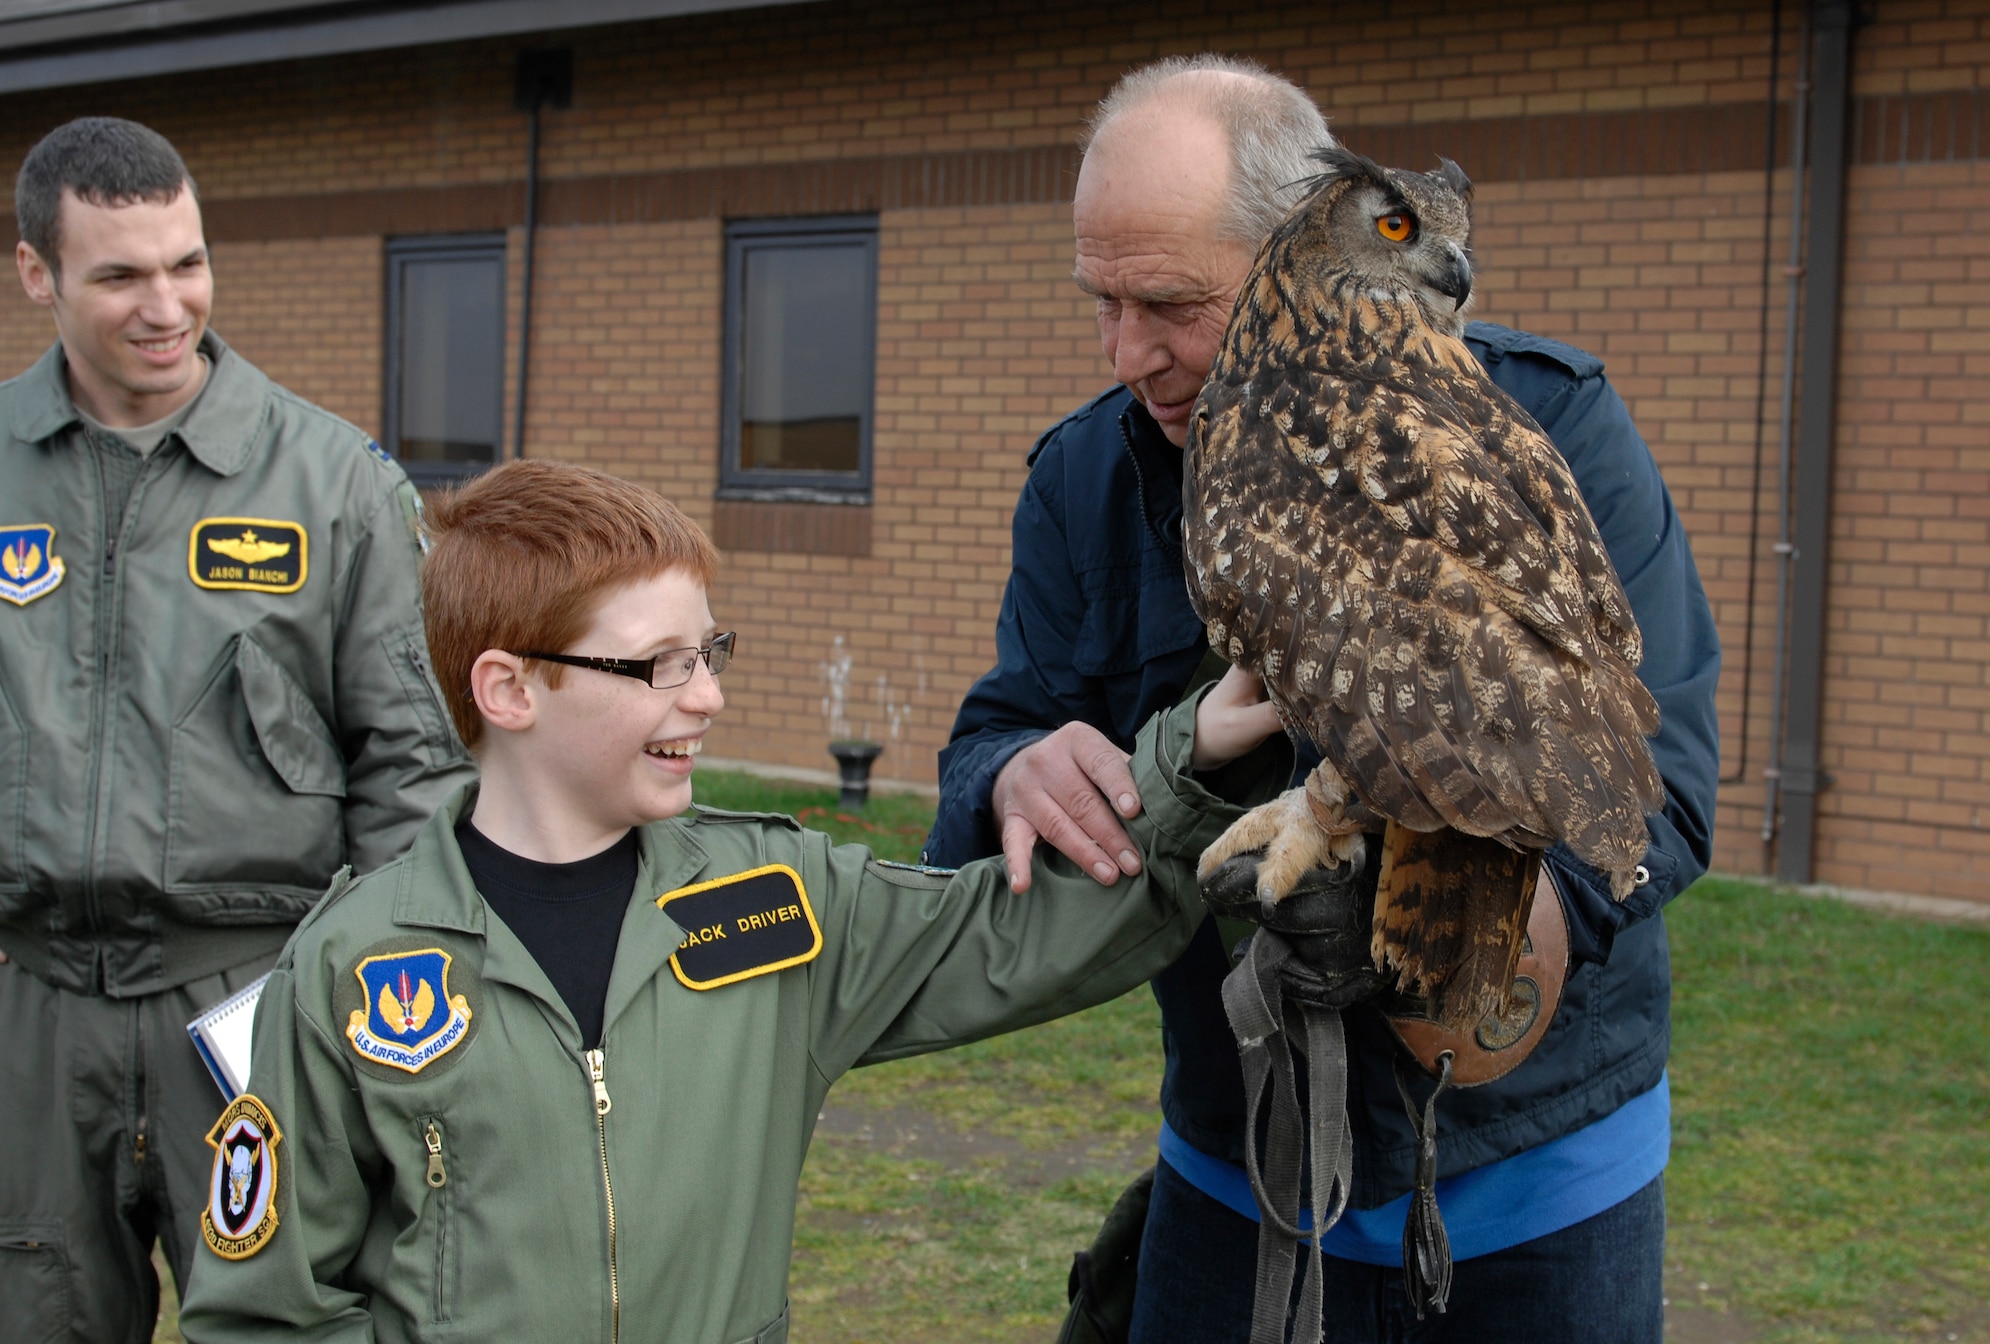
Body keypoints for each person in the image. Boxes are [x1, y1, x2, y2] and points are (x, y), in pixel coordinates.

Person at [926, 56, 1721, 1343]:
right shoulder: (1088, 474)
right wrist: (1009, 771)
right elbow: (992, 739)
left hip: (1534, 1174)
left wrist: (1466, 944)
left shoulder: (1538, 422)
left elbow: (1659, 787)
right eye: (1102, 303)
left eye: (1169, 304)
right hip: (1238, 1158)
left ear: (1299, 252)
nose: (1130, 352)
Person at [175, 457, 1288, 1343]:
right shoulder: (352, 965)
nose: (707, 695)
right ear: (509, 688)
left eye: (709, 650)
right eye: (658, 666)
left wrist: (1188, 759)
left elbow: (1019, 933)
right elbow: (264, 1308)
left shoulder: (773, 903)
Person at [0, 117, 475, 1344]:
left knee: (279, 1323)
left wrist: (383, 1010)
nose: (169, 306)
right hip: (29, 1007)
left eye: (188, 263)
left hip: (253, 1004)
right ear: (36, 272)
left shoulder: (332, 484)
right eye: (120, 275)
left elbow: (413, 774)